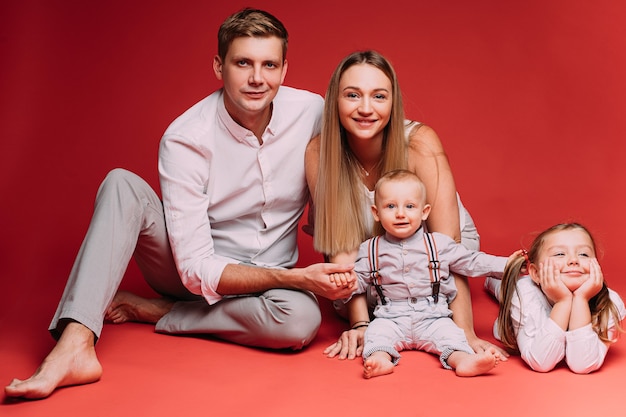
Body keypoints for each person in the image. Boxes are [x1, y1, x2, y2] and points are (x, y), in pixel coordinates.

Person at [5, 8, 354, 400]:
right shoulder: (186, 136)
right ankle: (73, 346)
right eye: (243, 63)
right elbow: (194, 269)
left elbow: (371, 125)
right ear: (219, 66)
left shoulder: (311, 112)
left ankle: (158, 311)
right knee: (122, 183)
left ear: (285, 70)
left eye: (269, 64)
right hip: (189, 270)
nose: (258, 78)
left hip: (267, 286)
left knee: (300, 321)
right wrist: (295, 279)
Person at [304, 50, 502, 360]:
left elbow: (447, 245)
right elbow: (341, 246)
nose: (366, 108)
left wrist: (465, 332)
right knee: (363, 305)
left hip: (436, 252)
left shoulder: (420, 143)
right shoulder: (319, 152)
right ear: (335, 100)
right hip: (369, 257)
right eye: (353, 95)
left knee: (435, 293)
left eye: (379, 96)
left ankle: (502, 282)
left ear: (393, 102)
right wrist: (359, 323)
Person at [349, 170, 512, 378]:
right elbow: (359, 281)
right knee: (375, 336)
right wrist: (346, 281)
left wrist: (510, 264)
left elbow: (473, 261)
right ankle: (380, 360)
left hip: (433, 315)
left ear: (424, 212)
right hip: (390, 317)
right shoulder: (370, 249)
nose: (400, 213)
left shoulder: (438, 244)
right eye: (391, 206)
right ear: (376, 212)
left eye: (410, 206)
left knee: (452, 337)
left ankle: (464, 361)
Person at [485, 223, 625, 373]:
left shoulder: (610, 302)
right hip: (523, 289)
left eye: (583, 254)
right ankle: (492, 280)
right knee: (505, 288)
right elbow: (541, 362)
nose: (573, 260)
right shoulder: (523, 294)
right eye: (559, 254)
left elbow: (583, 364)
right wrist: (563, 302)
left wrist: (580, 299)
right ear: (536, 273)